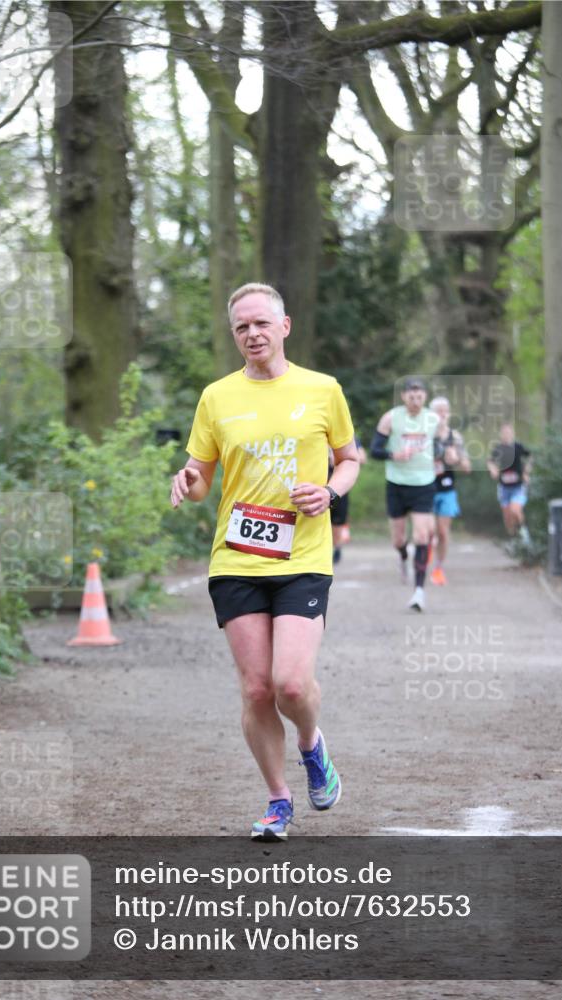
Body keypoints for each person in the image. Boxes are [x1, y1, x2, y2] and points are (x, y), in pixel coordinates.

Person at [170, 283, 360, 841]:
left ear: (284, 326)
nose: (251, 334)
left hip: (302, 553)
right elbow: (202, 478)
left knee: (291, 686)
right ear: (235, 336)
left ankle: (311, 746)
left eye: (260, 324)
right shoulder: (217, 397)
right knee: (256, 689)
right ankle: (278, 800)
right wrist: (188, 480)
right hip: (237, 558)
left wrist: (328, 491)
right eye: (241, 328)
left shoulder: (323, 390)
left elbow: (349, 460)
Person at [370, 376, 440, 612]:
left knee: (422, 535)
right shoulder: (391, 418)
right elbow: (375, 450)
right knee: (398, 539)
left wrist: (445, 455)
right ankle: (402, 556)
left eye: (419, 394)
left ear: (425, 396)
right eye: (411, 393)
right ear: (403, 396)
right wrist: (393, 455)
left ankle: (419, 592)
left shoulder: (433, 419)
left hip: (424, 484)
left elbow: (441, 444)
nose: (415, 397)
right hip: (397, 484)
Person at [428, 396, 471, 585]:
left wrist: (457, 459)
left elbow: (467, 468)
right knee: (428, 531)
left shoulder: (456, 438)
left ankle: (438, 568)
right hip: (425, 489)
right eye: (439, 410)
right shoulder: (424, 435)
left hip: (446, 490)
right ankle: (425, 553)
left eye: (446, 410)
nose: (443, 414)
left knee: (443, 532)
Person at [487, 423, 532, 545]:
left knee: (515, 510)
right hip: (504, 488)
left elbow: (530, 457)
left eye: (508, 432)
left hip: (518, 486)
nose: (506, 435)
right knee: (507, 517)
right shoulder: (498, 449)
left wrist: (527, 471)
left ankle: (524, 534)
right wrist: (493, 469)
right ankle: (513, 540)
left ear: (512, 433)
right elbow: (490, 462)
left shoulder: (518, 447)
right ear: (501, 435)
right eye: (504, 432)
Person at [329, 439, 367, 564]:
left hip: (338, 487)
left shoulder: (347, 436)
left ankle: (337, 549)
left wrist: (343, 459)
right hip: (318, 483)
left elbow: (362, 457)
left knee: (338, 521)